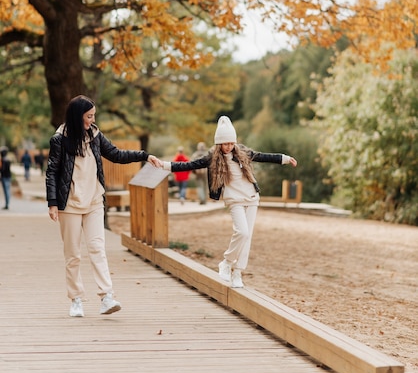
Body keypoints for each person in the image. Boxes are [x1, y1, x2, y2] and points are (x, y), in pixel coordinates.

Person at [45, 94, 162, 318]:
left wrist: (144, 156)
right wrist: (52, 203)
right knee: (73, 254)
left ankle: (106, 296)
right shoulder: (59, 139)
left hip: (94, 201)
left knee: (98, 248)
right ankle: (76, 299)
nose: (92, 120)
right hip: (69, 203)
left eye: (93, 116)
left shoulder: (96, 136)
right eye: (88, 116)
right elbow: (52, 171)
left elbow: (116, 154)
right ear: (76, 117)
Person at [163, 116, 297, 288]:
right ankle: (226, 262)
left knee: (247, 237)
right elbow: (189, 165)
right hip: (234, 200)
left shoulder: (242, 153)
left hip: (251, 198)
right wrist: (165, 165)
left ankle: (237, 272)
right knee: (241, 232)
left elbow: (262, 156)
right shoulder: (212, 157)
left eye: (231, 143)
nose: (228, 147)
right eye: (224, 143)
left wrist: (285, 158)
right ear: (218, 144)